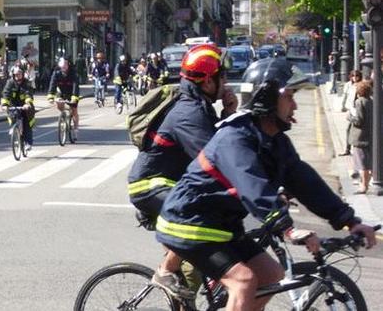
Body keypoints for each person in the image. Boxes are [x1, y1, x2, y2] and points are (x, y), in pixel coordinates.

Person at [156, 58, 378, 311]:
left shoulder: (274, 141)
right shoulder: (235, 138)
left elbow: (305, 181)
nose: (294, 105)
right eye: (289, 96)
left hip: (221, 225)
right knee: (243, 282)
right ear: (268, 97)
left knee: (272, 276)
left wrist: (348, 220)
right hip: (188, 223)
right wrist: (288, 228)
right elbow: (253, 186)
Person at [127, 44, 237, 299]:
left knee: (196, 261)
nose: (227, 81)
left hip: (172, 182)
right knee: (197, 212)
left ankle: (182, 289)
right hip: (150, 185)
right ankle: (166, 271)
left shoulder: (200, 105)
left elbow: (217, 143)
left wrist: (228, 113)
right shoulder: (189, 112)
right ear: (208, 81)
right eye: (223, 76)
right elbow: (215, 157)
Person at [1, 66, 35, 150]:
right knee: (13, 117)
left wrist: (27, 103)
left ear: (22, 74)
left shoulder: (26, 83)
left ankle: (28, 142)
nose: (17, 76)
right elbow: (6, 93)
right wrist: (5, 104)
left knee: (27, 123)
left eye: (19, 74)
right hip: (13, 105)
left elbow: (28, 93)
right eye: (15, 75)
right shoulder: (10, 82)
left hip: (25, 106)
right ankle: (15, 130)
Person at [348, 80, 373, 194]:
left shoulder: (359, 102)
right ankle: (364, 183)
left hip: (360, 137)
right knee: (367, 162)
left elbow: (359, 120)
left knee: (362, 164)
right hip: (369, 136)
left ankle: (364, 186)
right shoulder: (371, 101)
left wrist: (349, 117)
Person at [47, 57, 81, 139]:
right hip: (61, 92)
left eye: (66, 64)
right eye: (62, 65)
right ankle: (64, 115)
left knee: (74, 110)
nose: (64, 66)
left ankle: (76, 128)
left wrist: (74, 97)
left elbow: (75, 86)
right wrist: (51, 96)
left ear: (68, 64)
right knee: (59, 104)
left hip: (72, 93)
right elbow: (52, 84)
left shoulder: (73, 73)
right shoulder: (56, 73)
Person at [339, 70, 363, 157]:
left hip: (358, 111)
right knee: (348, 130)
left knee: (356, 131)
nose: (355, 78)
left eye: (357, 76)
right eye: (353, 76)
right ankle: (347, 149)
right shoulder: (348, 85)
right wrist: (343, 106)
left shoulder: (361, 85)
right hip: (351, 110)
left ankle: (355, 150)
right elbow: (345, 96)